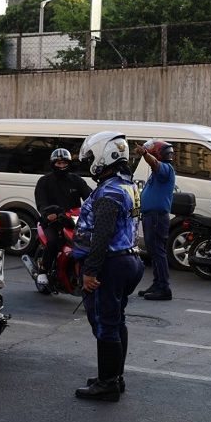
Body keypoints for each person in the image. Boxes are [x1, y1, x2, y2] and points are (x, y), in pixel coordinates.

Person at [72, 131, 143, 402]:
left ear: (104, 156)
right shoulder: (127, 184)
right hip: (129, 260)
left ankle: (108, 383)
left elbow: (102, 235)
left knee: (105, 323)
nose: (89, 162)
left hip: (111, 264)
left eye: (91, 156)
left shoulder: (110, 191)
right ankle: (115, 376)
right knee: (116, 320)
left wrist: (90, 271)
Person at [34, 148, 92, 286]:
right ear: (53, 164)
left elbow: (90, 197)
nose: (61, 166)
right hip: (53, 221)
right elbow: (41, 203)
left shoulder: (76, 180)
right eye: (58, 163)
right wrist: (48, 214)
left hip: (74, 221)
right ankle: (43, 270)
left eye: (64, 163)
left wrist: (96, 207)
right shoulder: (44, 181)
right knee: (54, 242)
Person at [135, 140, 176, 300]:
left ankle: (164, 288)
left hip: (156, 217)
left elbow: (155, 164)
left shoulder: (165, 169)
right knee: (153, 251)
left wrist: (145, 153)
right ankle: (158, 283)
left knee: (158, 251)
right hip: (151, 216)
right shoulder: (159, 172)